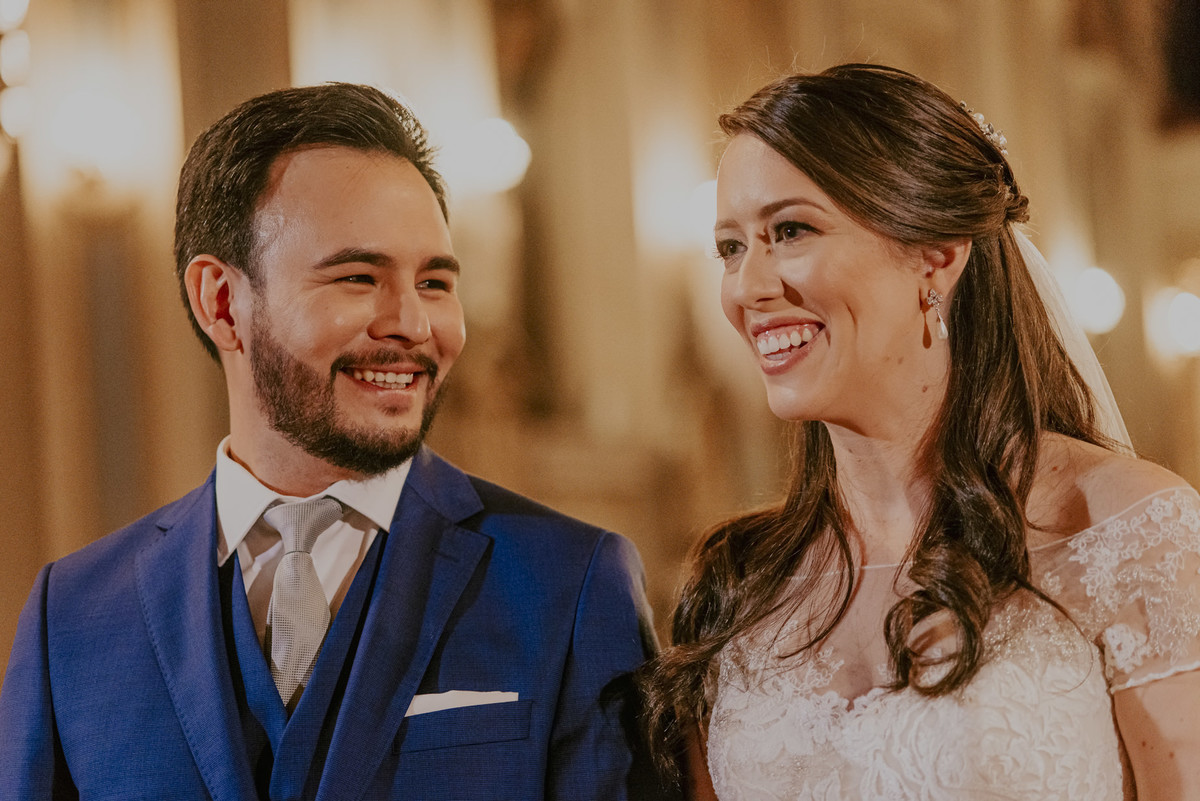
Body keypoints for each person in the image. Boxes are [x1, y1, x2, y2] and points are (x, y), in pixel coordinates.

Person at [0, 82, 666, 800]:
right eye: (359, 277)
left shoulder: (573, 583)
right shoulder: (72, 617)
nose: (413, 323)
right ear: (222, 301)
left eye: (436, 281)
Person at [643, 64, 1200, 800]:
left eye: (790, 230)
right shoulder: (738, 585)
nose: (748, 286)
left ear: (936, 256)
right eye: (731, 246)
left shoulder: (1126, 531)